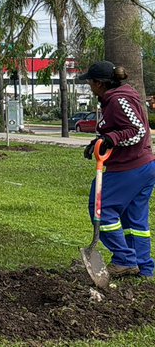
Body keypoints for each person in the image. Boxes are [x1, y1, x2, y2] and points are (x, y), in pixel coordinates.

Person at [79, 60, 155, 278]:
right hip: (143, 167)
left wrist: (111, 138)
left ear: (100, 84)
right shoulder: (119, 97)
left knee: (100, 209)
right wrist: (100, 141)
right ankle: (143, 267)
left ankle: (124, 259)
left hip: (129, 168)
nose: (90, 87)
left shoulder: (118, 100)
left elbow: (137, 131)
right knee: (135, 221)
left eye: (90, 83)